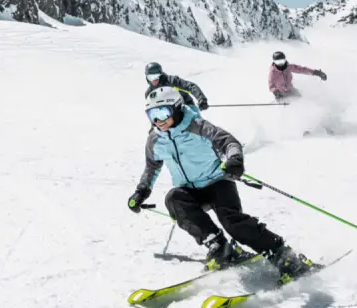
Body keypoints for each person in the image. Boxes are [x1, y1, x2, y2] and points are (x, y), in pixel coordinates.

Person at [127, 86, 314, 277]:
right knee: (174, 198)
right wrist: (142, 191)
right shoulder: (155, 140)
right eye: (152, 115)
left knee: (232, 222)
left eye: (162, 113)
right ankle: (219, 247)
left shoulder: (197, 126)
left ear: (176, 108)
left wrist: (235, 159)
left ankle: (283, 255)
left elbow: (229, 142)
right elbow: (151, 167)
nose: (158, 120)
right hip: (190, 191)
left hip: (218, 183)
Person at [144, 61, 208, 109]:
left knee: (194, 120)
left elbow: (190, 86)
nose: (154, 80)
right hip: (168, 114)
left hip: (186, 106)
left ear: (160, 75)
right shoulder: (150, 93)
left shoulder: (172, 81)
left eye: (156, 76)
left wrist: (201, 99)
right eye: (150, 77)